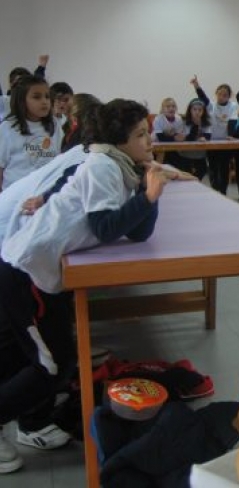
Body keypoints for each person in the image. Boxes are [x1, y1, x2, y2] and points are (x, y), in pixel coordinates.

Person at [0, 99, 169, 472]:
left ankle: (32, 422)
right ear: (119, 139)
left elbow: (137, 231)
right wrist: (149, 196)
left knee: (48, 357)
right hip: (27, 271)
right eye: (140, 134)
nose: (148, 139)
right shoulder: (103, 166)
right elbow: (104, 227)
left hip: (45, 272)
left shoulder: (122, 165)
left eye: (148, 132)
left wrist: (147, 189)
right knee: (51, 366)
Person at [0, 76, 63, 191]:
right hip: (16, 192)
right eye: (37, 97)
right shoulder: (8, 127)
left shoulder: (54, 124)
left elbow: (59, 158)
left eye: (47, 97)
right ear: (22, 101)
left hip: (45, 192)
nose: (44, 101)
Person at [191, 76, 238, 195]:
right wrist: (196, 86)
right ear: (216, 94)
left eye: (225, 95)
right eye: (219, 94)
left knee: (224, 167)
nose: (221, 97)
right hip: (211, 141)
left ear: (228, 96)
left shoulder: (232, 106)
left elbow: (232, 121)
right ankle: (215, 190)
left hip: (225, 141)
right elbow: (203, 98)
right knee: (212, 167)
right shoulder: (211, 105)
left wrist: (231, 135)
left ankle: (223, 191)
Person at [176, 98, 211, 180]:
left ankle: (194, 182)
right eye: (194, 109)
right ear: (190, 110)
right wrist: (196, 125)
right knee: (186, 173)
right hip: (185, 154)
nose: (197, 112)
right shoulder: (183, 121)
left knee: (202, 170)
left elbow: (207, 137)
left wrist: (203, 137)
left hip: (200, 155)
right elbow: (187, 139)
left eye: (200, 110)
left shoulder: (206, 123)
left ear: (203, 111)